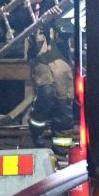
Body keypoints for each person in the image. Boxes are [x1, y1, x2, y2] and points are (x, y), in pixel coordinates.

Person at [27, 24, 77, 157]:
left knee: (63, 106)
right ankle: (37, 132)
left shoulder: (62, 11)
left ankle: (62, 150)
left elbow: (70, 29)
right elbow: (18, 22)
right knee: (46, 95)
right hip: (41, 61)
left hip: (62, 63)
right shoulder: (33, 10)